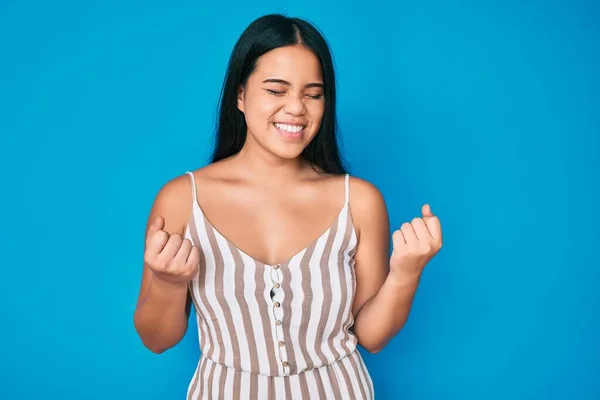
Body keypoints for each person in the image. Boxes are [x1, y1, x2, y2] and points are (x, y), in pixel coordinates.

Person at [133, 13, 443, 399]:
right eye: (276, 91)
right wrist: (168, 281)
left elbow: (372, 337)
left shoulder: (360, 201)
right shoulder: (181, 199)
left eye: (313, 94)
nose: (297, 108)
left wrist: (405, 273)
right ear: (240, 95)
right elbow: (157, 340)